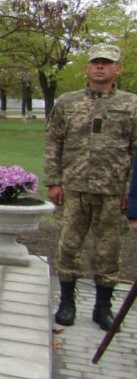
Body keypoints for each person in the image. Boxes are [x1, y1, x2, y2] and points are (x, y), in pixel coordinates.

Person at [45, 44, 137, 331]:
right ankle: (66, 303)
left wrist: (130, 193)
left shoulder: (131, 105)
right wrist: (53, 181)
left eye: (106, 63)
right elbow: (53, 143)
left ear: (117, 69)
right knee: (68, 246)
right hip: (73, 188)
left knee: (108, 251)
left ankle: (102, 308)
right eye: (95, 62)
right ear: (87, 67)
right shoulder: (67, 102)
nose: (100, 67)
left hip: (113, 192)